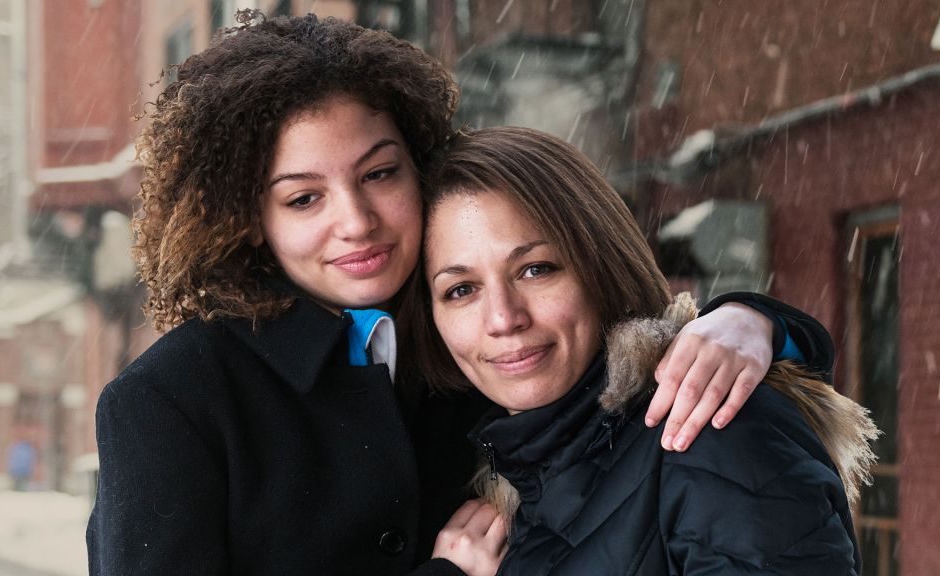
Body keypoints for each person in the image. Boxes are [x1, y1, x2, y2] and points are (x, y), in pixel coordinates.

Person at [87, 12, 838, 576]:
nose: (357, 222)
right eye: (303, 199)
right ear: (251, 221)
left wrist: (755, 319)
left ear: (418, 168)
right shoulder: (174, 400)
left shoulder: (466, 357)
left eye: (379, 173)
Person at [410, 126, 879, 575]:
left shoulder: (707, 426)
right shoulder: (503, 482)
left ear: (601, 267)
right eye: (461, 290)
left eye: (536, 269)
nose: (503, 318)